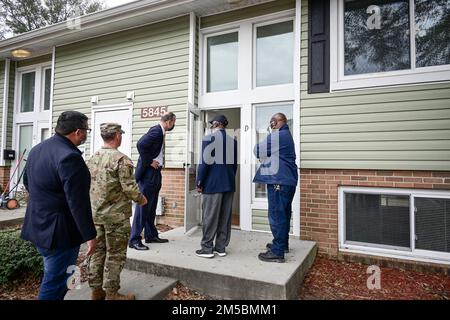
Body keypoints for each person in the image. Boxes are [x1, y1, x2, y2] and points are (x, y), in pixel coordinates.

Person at [21, 111, 97, 300]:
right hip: (59, 233)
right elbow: (78, 202)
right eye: (86, 130)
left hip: (38, 225)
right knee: (55, 283)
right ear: (77, 132)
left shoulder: (37, 149)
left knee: (61, 277)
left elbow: (27, 182)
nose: (86, 134)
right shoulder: (70, 157)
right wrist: (90, 235)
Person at [86, 123, 148, 300]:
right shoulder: (122, 160)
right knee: (115, 255)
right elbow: (129, 188)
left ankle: (96, 292)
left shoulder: (92, 158)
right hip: (116, 218)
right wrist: (142, 199)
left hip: (95, 215)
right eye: (120, 134)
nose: (121, 136)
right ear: (117, 136)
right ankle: (112, 294)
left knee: (96, 253)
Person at [253, 113, 298, 263]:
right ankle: (282, 244)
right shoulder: (286, 135)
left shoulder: (279, 135)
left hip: (279, 180)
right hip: (287, 180)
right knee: (284, 213)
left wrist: (269, 136)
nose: (271, 124)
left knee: (277, 215)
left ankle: (277, 252)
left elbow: (257, 151)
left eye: (272, 121)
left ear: (277, 122)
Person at [129, 112, 176, 250]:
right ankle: (134, 239)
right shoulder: (156, 131)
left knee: (151, 206)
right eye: (174, 122)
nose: (174, 125)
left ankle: (150, 235)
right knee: (143, 206)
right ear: (170, 121)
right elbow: (140, 144)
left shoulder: (159, 131)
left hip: (155, 173)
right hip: (149, 174)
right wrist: (149, 161)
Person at [195, 115, 238, 258]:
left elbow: (204, 163)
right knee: (225, 218)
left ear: (217, 124)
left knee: (210, 217)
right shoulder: (233, 141)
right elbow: (234, 166)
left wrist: (200, 182)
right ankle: (221, 248)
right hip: (229, 184)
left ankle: (207, 249)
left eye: (212, 124)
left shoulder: (209, 139)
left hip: (212, 185)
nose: (211, 126)